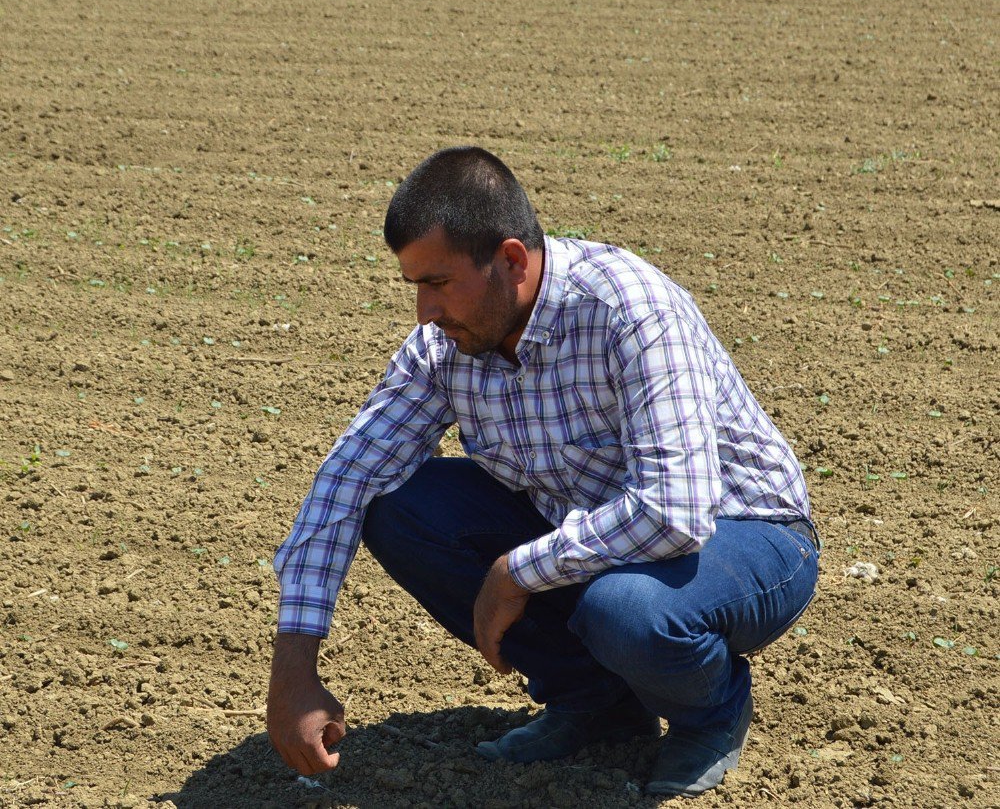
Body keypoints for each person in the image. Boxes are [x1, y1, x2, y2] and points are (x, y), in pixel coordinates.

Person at [266, 146, 819, 797]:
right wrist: (294, 666)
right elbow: (347, 478)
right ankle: (599, 707)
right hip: (594, 539)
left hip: (745, 533)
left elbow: (675, 511)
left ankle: (711, 711)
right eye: (414, 285)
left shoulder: (629, 310)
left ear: (511, 261)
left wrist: (516, 571)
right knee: (398, 505)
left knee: (627, 608)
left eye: (438, 283)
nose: (423, 311)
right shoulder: (446, 347)